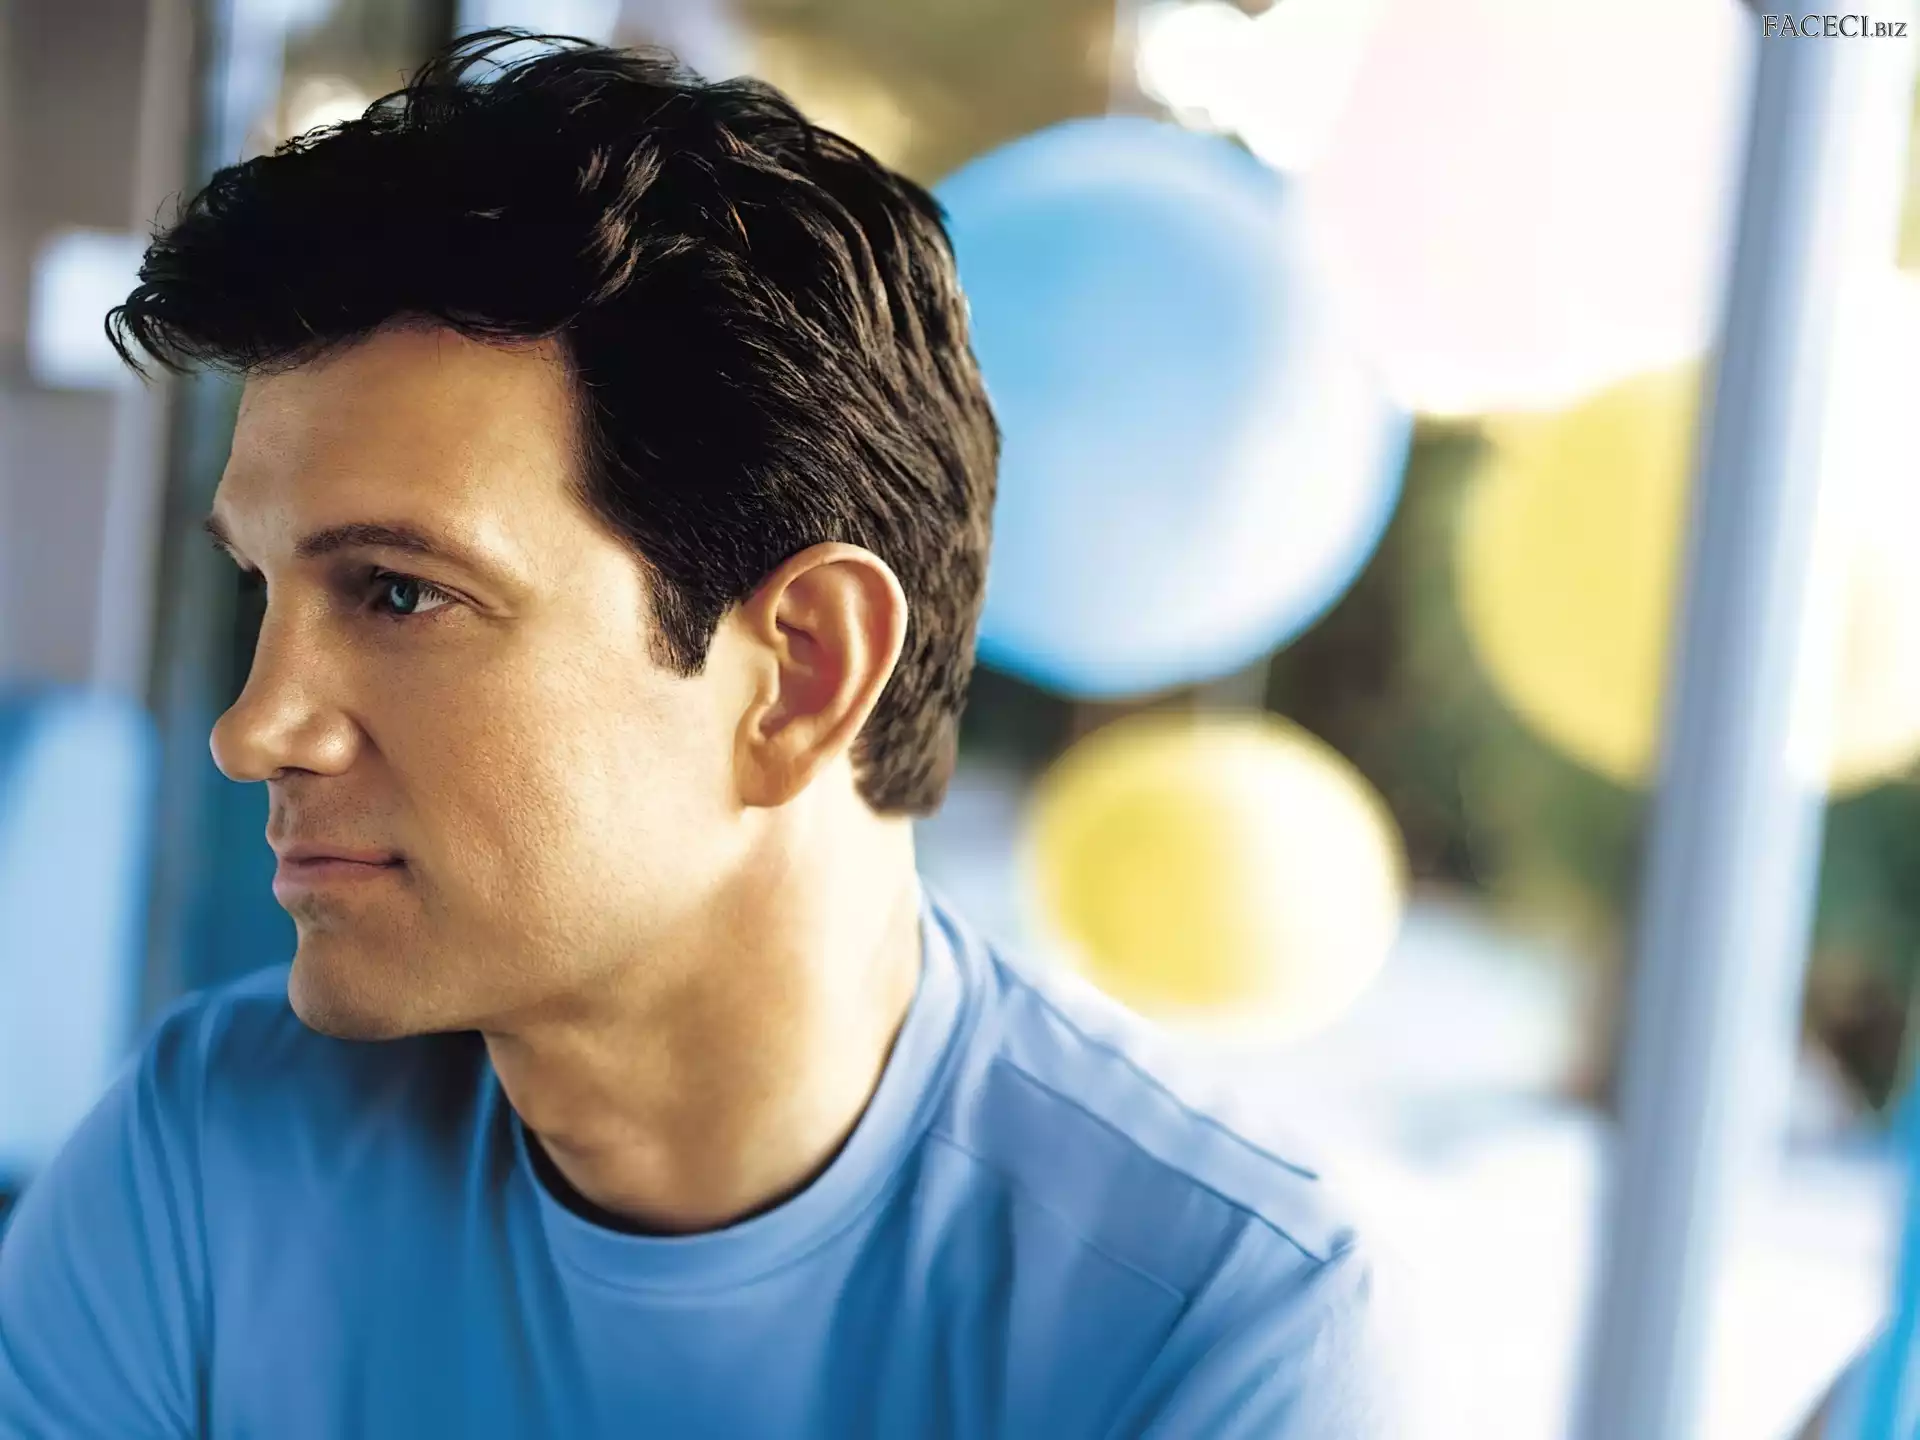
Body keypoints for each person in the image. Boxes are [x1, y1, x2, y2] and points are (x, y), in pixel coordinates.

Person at [0, 32, 1394, 1438]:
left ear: (800, 674)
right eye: (262, 589)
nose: (254, 731)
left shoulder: (1216, 1327)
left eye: (401, 591)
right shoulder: (205, 1149)